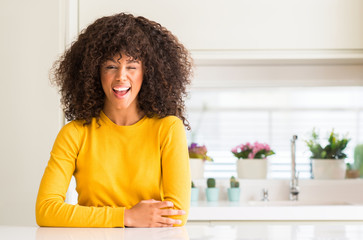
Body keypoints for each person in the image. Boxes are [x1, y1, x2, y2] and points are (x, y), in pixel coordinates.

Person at [36, 12, 192, 228]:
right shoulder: (74, 133)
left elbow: (176, 215)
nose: (121, 76)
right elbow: (45, 210)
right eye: (111, 66)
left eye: (132, 66)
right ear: (94, 72)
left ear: (147, 73)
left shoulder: (168, 128)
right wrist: (126, 216)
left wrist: (95, 216)